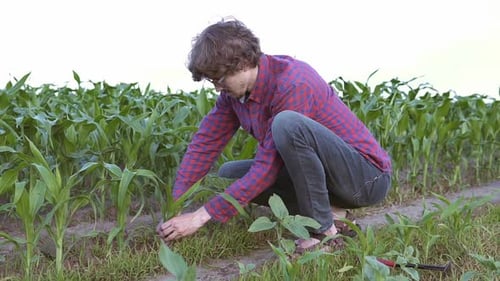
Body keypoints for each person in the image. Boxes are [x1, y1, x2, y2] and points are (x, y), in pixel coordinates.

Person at [156, 18, 392, 252]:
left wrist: (199, 217)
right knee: (229, 174)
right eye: (212, 81)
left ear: (243, 63)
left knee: (287, 123)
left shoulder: (293, 82)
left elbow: (267, 168)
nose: (217, 88)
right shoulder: (233, 97)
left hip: (366, 179)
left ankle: (323, 232)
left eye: (219, 78)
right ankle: (332, 212)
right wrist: (177, 203)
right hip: (331, 179)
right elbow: (204, 145)